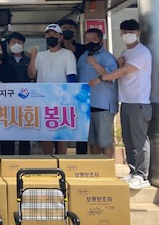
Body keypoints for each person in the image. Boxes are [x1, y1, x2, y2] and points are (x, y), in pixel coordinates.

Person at [89, 19, 152, 190]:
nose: (127, 34)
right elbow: (122, 69)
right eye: (124, 31)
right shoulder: (125, 52)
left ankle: (142, 175)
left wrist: (101, 78)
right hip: (126, 101)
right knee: (128, 140)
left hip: (139, 102)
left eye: (131, 31)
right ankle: (132, 171)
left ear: (138, 33)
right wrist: (119, 63)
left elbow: (124, 71)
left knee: (140, 140)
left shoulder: (142, 52)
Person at [28, 23, 77, 155]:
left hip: (61, 99)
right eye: (48, 34)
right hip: (43, 100)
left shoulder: (67, 54)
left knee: (62, 134)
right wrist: (33, 58)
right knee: (45, 134)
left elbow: (71, 77)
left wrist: (70, 99)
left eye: (54, 34)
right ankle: (48, 159)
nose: (51, 37)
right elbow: (32, 75)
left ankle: (61, 160)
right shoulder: (40, 55)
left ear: (60, 37)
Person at [76, 28, 118, 158]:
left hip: (103, 105)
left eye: (94, 39)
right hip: (86, 105)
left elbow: (111, 78)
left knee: (104, 141)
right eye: (87, 40)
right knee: (92, 141)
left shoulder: (107, 57)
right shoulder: (83, 57)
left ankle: (108, 166)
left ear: (101, 41)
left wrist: (94, 63)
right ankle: (97, 166)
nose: (90, 42)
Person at [59, 19, 89, 155]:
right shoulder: (54, 49)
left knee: (80, 126)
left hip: (79, 92)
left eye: (70, 28)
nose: (67, 30)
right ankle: (59, 156)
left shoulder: (83, 49)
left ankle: (81, 156)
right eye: (64, 28)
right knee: (61, 126)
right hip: (59, 93)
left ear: (75, 31)